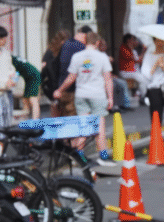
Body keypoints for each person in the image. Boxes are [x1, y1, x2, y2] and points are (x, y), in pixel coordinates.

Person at [53, 31, 115, 166]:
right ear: (97, 42)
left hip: (81, 95)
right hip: (97, 95)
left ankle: (79, 156)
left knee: (83, 126)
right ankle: (103, 157)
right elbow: (108, 79)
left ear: (86, 42)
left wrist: (59, 90)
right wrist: (110, 98)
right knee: (99, 127)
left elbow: (71, 78)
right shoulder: (102, 57)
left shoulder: (77, 56)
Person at [54, 26, 90, 117]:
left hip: (62, 88)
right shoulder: (82, 48)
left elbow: (56, 65)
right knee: (75, 120)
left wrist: (59, 89)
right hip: (74, 90)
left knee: (65, 119)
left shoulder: (66, 45)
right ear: (85, 35)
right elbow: (86, 69)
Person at [41, 29, 69, 116]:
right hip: (60, 83)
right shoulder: (63, 52)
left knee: (55, 108)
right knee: (63, 110)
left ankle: (57, 126)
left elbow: (43, 66)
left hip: (53, 85)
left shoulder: (49, 51)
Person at [10, 52, 42, 120]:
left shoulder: (11, 60)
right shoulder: (15, 59)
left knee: (33, 99)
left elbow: (15, 73)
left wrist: (13, 82)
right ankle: (24, 120)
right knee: (25, 100)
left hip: (33, 77)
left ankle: (35, 121)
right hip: (30, 77)